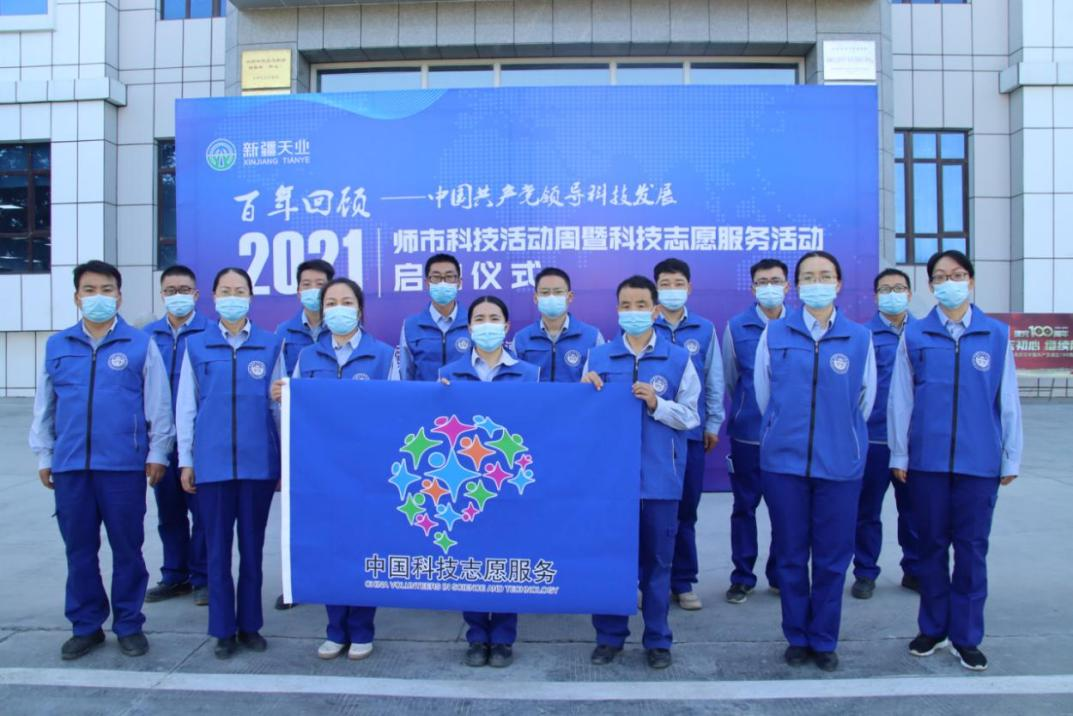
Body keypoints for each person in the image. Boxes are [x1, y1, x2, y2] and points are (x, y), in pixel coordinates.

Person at [29, 260, 174, 660]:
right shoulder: (57, 346)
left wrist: (158, 451)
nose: (98, 297)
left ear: (119, 296)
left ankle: (129, 623)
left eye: (106, 290)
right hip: (71, 466)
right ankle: (86, 625)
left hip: (123, 467)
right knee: (79, 551)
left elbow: (158, 404)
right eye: (89, 290)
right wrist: (45, 454)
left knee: (128, 549)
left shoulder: (139, 344)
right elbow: (45, 406)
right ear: (77, 297)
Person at [888, 250, 1022, 672]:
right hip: (927, 463)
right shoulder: (915, 335)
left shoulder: (995, 335)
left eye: (958, 274)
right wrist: (900, 452)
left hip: (978, 464)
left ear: (971, 281)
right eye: (941, 277)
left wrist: (1010, 456)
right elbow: (901, 399)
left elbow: (1008, 400)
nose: (950, 282)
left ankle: (966, 636)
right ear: (931, 286)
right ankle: (932, 628)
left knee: (971, 551)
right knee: (930, 548)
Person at [754, 250, 876, 672]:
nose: (817, 283)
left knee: (832, 558)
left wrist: (841, 437)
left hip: (840, 466)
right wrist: (781, 431)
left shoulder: (859, 338)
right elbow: (765, 394)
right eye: (808, 276)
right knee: (790, 555)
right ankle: (797, 636)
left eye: (825, 276)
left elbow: (864, 399)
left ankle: (824, 639)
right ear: (796, 286)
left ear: (838, 284)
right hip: (784, 466)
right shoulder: (775, 334)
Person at [270, 278, 397, 662]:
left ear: (359, 309)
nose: (338, 308)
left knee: (362, 546)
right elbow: (293, 411)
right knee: (330, 547)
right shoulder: (309, 357)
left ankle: (361, 629)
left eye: (346, 301)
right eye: (331, 302)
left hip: (366, 470)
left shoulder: (382, 354)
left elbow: (396, 409)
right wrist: (282, 397)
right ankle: (335, 629)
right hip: (321, 469)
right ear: (322, 311)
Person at [583, 275, 700, 670]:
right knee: (610, 562)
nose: (632, 312)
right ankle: (609, 637)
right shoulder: (599, 357)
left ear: (655, 310)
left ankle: (658, 640)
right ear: (617, 310)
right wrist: (584, 393)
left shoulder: (678, 358)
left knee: (658, 565)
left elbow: (691, 416)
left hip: (660, 480)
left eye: (640, 305)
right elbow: (583, 418)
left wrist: (657, 403)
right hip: (610, 483)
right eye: (625, 305)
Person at [177, 267, 283, 659]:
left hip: (258, 466)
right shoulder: (196, 346)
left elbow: (279, 409)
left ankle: (250, 626)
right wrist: (186, 460)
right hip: (213, 465)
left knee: (252, 550)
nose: (233, 297)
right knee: (217, 551)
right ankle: (222, 630)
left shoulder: (271, 345)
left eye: (240, 291)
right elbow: (186, 408)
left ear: (251, 297)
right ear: (213, 297)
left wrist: (282, 460)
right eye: (226, 291)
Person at [439, 295, 539, 668]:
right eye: (479, 318)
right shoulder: (448, 374)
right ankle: (477, 635)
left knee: (507, 554)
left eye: (494, 318)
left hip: (509, 479)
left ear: (507, 326)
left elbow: (543, 420)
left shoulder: (529, 373)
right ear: (468, 328)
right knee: (470, 553)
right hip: (464, 480)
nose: (486, 324)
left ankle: (504, 637)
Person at [652, 258, 725, 611]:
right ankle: (650, 580)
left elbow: (714, 378)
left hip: (690, 436)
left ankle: (683, 582)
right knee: (652, 511)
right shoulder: (643, 325)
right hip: (651, 438)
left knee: (685, 511)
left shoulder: (704, 328)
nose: (672, 289)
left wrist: (712, 423)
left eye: (678, 283)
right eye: (665, 284)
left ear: (689, 288)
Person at [850, 268, 920, 600]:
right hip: (874, 438)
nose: (893, 294)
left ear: (910, 293)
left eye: (899, 288)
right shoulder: (862, 336)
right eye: (885, 289)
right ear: (876, 296)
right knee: (867, 512)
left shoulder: (924, 333)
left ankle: (915, 569)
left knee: (914, 511)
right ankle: (865, 572)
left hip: (914, 440)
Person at [143, 265, 210, 606]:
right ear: (162, 294)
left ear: (196, 295)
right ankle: (174, 575)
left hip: (199, 440)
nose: (177, 296)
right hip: (161, 441)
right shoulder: (147, 336)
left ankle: (203, 577)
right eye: (170, 290)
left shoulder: (209, 333)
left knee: (203, 513)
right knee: (169, 512)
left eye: (184, 290)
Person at [721, 259, 786, 604]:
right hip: (748, 434)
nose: (769, 287)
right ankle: (742, 577)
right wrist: (748, 408)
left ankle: (779, 574)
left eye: (776, 281)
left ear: (787, 287)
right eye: (763, 282)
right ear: (753, 288)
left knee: (785, 510)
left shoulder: (798, 325)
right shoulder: (737, 327)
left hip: (787, 436)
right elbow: (732, 379)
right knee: (744, 507)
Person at [271, 260, 334, 610]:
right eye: (306, 284)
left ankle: (337, 580)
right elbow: (282, 386)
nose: (313, 290)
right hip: (303, 439)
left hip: (337, 440)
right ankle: (296, 582)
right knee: (301, 516)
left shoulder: (344, 326)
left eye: (319, 284)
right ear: (297, 290)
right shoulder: (284, 332)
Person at [512, 267, 604, 383]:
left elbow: (602, 378)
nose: (552, 297)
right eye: (545, 292)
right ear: (536, 298)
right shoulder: (521, 339)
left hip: (577, 396)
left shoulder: (593, 337)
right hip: (534, 396)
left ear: (570, 297)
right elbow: (513, 382)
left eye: (558, 292)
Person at [399, 253, 470, 381]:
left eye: (449, 277)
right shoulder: (410, 325)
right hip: (423, 394)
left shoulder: (473, 323)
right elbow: (405, 375)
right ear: (427, 283)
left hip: (464, 394)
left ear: (459, 282)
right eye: (436, 277)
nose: (443, 283)